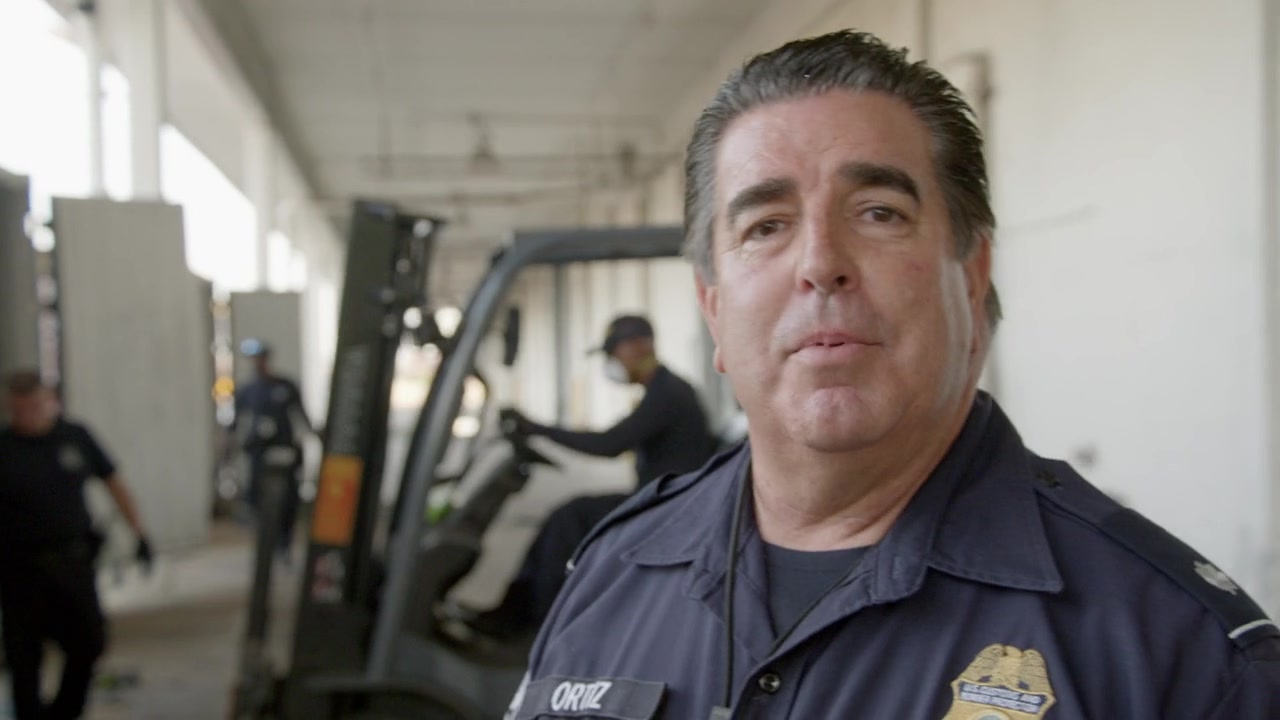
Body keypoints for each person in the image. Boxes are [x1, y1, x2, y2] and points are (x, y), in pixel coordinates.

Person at [508, 30, 1280, 719]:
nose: (820, 263)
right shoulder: (609, 576)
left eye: (879, 212)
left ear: (970, 277)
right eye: (766, 225)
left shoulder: (1176, 657)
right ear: (713, 309)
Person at [462, 314, 719, 637]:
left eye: (614, 351)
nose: (612, 362)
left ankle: (540, 625)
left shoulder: (667, 393)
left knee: (569, 520)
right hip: (661, 499)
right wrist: (538, 431)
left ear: (639, 346)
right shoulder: (661, 390)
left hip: (669, 508)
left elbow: (609, 444)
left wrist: (538, 429)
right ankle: (513, 613)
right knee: (565, 516)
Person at [0, 370, 152, 720]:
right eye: (19, 410)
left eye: (34, 407)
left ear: (50, 402)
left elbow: (113, 482)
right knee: (23, 655)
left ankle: (65, 712)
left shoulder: (74, 437)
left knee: (89, 642)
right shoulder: (4, 448)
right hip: (19, 567)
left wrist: (139, 533)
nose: (28, 416)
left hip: (72, 561)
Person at [227, 339, 316, 560]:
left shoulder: (285, 386)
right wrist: (227, 450)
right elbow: (234, 425)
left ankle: (285, 544)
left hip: (285, 451)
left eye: (260, 358)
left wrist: (317, 437)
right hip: (259, 453)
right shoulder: (248, 391)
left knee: (289, 499)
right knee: (257, 499)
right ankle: (266, 543)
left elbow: (301, 415)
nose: (257, 362)